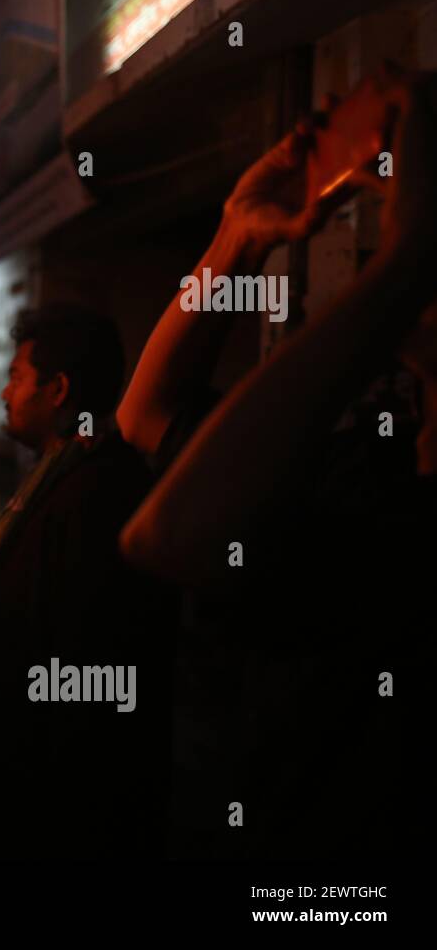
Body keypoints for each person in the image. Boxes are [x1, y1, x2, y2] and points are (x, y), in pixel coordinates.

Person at [119, 75, 437, 857]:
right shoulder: (370, 465)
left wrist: (405, 268)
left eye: (401, 199)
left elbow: (169, 535)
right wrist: (236, 241)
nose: (378, 225)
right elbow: (146, 418)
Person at [0, 305, 176, 858]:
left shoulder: (96, 492)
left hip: (51, 807)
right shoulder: (61, 478)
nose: (4, 393)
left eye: (16, 378)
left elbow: (84, 663)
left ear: (59, 389)